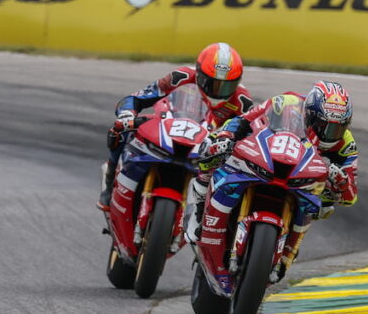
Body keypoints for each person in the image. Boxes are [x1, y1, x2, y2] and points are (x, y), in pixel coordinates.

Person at [186, 80, 359, 282]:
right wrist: (226, 135)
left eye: (336, 129)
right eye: (325, 127)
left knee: (325, 206)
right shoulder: (285, 103)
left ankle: (288, 251)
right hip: (265, 159)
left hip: (304, 178)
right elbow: (244, 119)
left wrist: (342, 181)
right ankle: (199, 211)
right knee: (212, 153)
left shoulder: (346, 143)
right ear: (310, 115)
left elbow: (350, 197)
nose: (330, 134)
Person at [98, 42, 254, 210]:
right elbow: (137, 98)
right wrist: (127, 113)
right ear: (199, 73)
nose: (218, 91)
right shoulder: (180, 77)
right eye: (212, 83)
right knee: (121, 129)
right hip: (170, 129)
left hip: (209, 149)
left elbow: (250, 135)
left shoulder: (242, 101)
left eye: (226, 85)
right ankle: (109, 183)